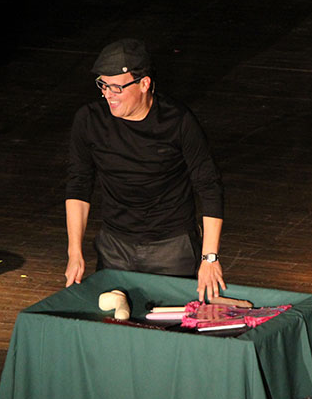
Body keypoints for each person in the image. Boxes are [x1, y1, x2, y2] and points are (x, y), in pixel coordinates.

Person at [64, 38, 226, 301]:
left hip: (171, 248)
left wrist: (210, 257)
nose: (108, 95)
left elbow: (209, 186)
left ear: (144, 83)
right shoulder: (89, 120)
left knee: (172, 321)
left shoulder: (177, 121)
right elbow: (79, 185)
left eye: (117, 87)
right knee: (112, 319)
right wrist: (75, 252)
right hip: (115, 246)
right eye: (103, 85)